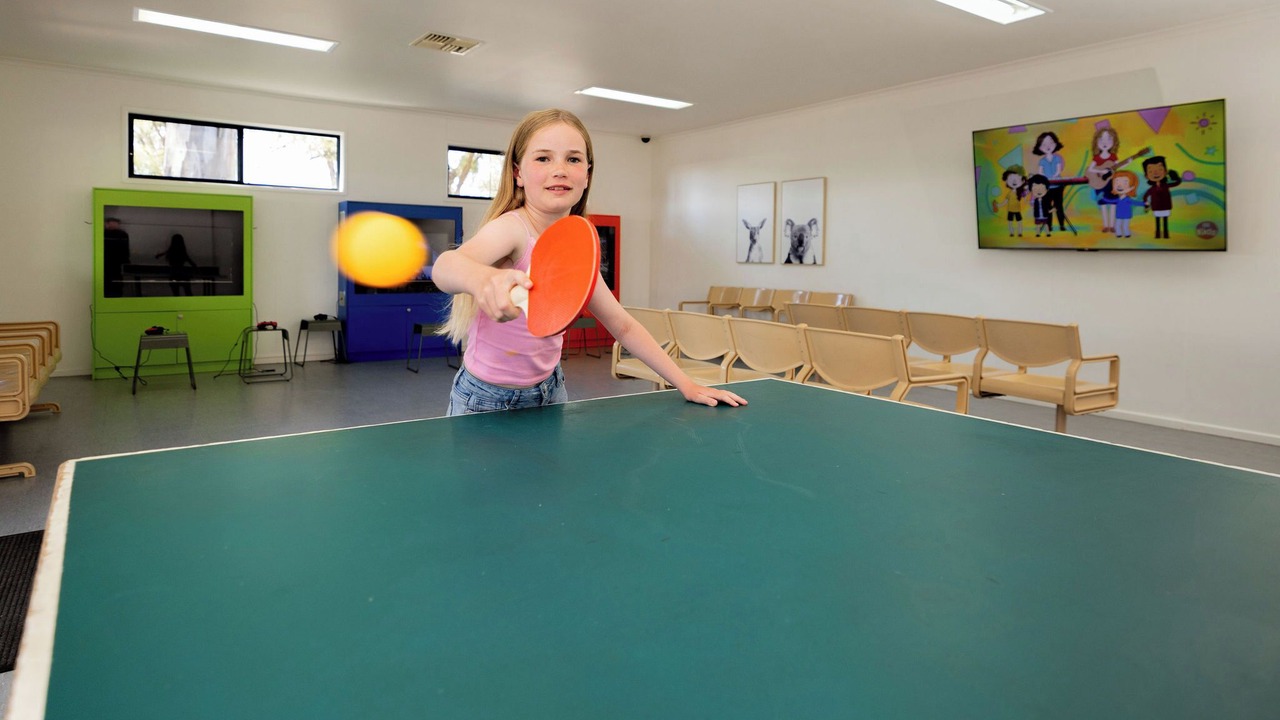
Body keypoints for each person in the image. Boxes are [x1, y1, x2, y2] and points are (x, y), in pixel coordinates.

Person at [432, 109, 747, 416]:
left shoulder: (575, 248)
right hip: (487, 399)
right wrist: (482, 280)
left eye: (573, 159)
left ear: (587, 174)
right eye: (543, 158)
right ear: (518, 173)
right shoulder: (513, 228)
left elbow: (622, 324)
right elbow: (446, 267)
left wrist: (686, 384)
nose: (560, 169)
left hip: (551, 390)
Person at [103, 217, 131, 297]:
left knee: (108, 282)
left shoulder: (103, 234)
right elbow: (125, 250)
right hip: (116, 262)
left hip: (107, 262)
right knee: (115, 283)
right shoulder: (122, 234)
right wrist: (126, 261)